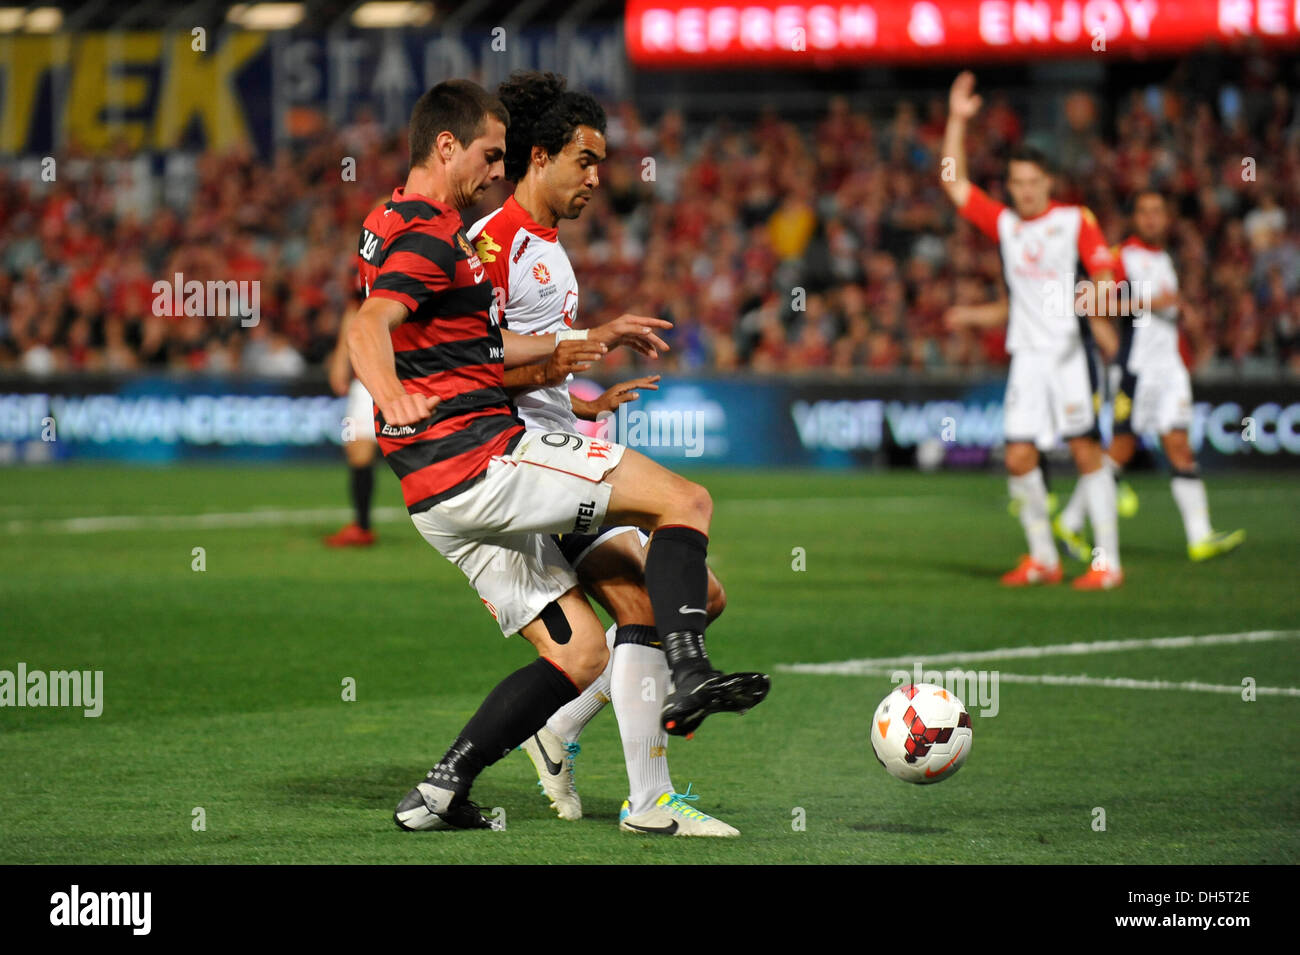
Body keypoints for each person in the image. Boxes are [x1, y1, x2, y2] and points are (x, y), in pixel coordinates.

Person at [345, 79, 769, 831]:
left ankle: (458, 781)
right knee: (679, 526)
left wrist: (580, 365)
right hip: (496, 461)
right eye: (584, 160)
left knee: (596, 649)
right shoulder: (475, 239)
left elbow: (476, 351)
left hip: (460, 478)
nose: (597, 177)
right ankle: (665, 758)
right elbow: (374, 325)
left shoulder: (431, 225)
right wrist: (392, 393)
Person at [467, 70, 738, 836]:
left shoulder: (547, 248)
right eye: (585, 161)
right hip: (522, 466)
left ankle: (559, 728)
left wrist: (583, 397)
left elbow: (528, 366)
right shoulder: (492, 245)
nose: (597, 177)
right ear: (540, 155)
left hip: (560, 439)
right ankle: (650, 800)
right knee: (653, 599)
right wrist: (580, 347)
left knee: (701, 596)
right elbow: (471, 368)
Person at [941, 71, 1125, 590]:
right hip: (1027, 357)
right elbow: (954, 182)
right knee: (1019, 455)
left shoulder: (1073, 219)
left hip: (1068, 354)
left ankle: (1107, 563)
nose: (1023, 191)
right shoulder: (1005, 225)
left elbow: (1104, 269)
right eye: (1016, 183)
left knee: (1086, 451)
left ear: (1048, 183)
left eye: (1031, 182)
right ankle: (1043, 557)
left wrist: (1099, 295)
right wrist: (957, 117)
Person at [1054, 190, 1245, 562]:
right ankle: (1071, 519)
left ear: (1168, 217)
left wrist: (1182, 314)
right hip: (1137, 370)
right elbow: (1089, 301)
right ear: (1135, 218)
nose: (1152, 218)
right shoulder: (1121, 257)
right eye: (1144, 212)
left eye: (1158, 211)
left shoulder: (1164, 259)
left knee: (1179, 444)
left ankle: (1200, 537)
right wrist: (1141, 310)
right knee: (1121, 450)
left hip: (1169, 368)